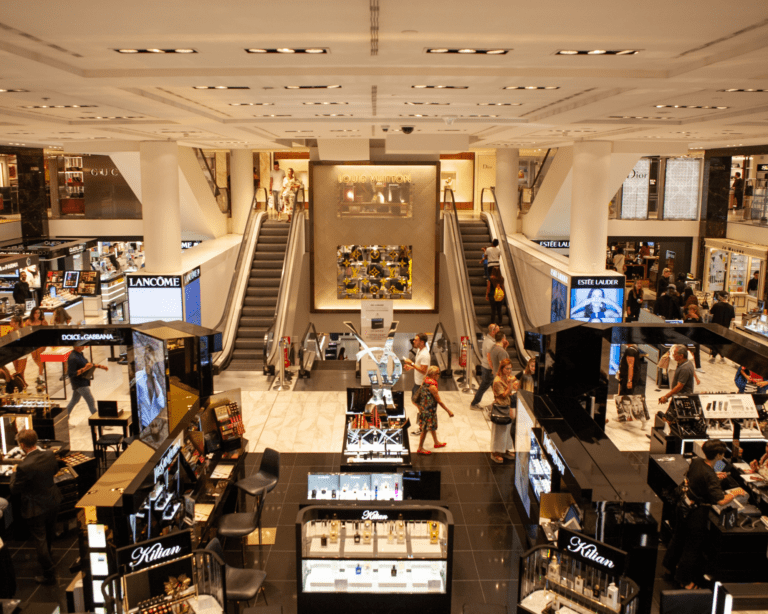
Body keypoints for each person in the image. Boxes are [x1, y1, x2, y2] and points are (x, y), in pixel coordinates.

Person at [662, 439, 745, 589]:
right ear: (719, 455)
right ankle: (684, 580)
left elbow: (700, 476)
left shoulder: (696, 462)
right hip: (696, 513)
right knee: (691, 547)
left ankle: (669, 566)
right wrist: (736, 493)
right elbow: (721, 501)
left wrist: (714, 476)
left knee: (678, 538)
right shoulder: (711, 474)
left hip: (683, 506)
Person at [10, 429, 63, 585]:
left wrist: (14, 472)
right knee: (49, 532)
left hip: (36, 507)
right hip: (53, 500)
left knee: (39, 539)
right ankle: (49, 555)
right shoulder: (49, 454)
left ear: (22, 445)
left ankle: (48, 573)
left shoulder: (23, 466)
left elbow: (14, 489)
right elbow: (54, 471)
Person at [414, 365, 454, 454]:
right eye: (438, 373)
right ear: (433, 374)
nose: (439, 375)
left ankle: (436, 442)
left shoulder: (425, 380)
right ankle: (420, 448)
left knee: (431, 426)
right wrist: (448, 411)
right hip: (428, 410)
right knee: (425, 429)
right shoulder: (432, 387)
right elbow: (439, 401)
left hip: (424, 407)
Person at [65, 344, 108, 415]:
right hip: (79, 384)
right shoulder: (73, 358)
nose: (84, 346)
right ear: (77, 346)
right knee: (91, 401)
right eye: (82, 345)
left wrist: (99, 366)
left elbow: (87, 364)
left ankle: (65, 419)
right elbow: (71, 374)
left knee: (74, 401)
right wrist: (84, 369)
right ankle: (98, 421)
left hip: (82, 382)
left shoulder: (79, 354)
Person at [490, 358, 518, 464]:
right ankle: (496, 452)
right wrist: (510, 384)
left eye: (510, 369)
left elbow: (514, 388)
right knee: (499, 432)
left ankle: (505, 449)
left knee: (507, 430)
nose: (509, 371)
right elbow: (503, 395)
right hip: (500, 407)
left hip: (509, 406)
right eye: (507, 369)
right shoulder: (497, 380)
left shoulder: (507, 377)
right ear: (502, 368)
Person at [403, 333, 430, 436]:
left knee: (420, 406)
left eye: (416, 340)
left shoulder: (425, 355)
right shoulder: (419, 350)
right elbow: (419, 366)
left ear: (422, 342)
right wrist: (411, 367)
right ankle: (422, 422)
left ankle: (422, 427)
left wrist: (412, 364)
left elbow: (423, 371)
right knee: (416, 402)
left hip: (421, 385)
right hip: (417, 383)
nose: (413, 341)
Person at [470, 323, 499, 411]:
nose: (499, 333)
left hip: (487, 368)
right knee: (484, 386)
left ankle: (497, 402)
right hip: (488, 369)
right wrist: (493, 370)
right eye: (498, 331)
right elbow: (490, 358)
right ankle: (474, 403)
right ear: (493, 332)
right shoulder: (490, 343)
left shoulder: (489, 340)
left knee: (494, 386)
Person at [709, 292, 735, 363]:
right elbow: (733, 318)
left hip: (716, 327)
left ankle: (713, 357)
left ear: (721, 297)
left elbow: (710, 312)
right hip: (725, 328)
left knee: (715, 342)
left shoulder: (717, 305)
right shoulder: (731, 307)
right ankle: (722, 358)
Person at [25, 306, 48, 381]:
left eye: (39, 313)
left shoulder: (43, 322)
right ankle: (41, 367)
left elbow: (48, 332)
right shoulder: (28, 322)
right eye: (36, 313)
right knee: (34, 357)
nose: (37, 314)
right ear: (33, 313)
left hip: (41, 342)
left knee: (39, 357)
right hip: (32, 342)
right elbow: (25, 332)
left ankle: (40, 375)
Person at [8, 315, 28, 389]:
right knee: (17, 372)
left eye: (11, 322)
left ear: (16, 323)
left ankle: (23, 385)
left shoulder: (23, 331)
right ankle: (23, 383)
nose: (10, 323)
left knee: (20, 371)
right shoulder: (10, 332)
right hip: (14, 354)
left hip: (22, 354)